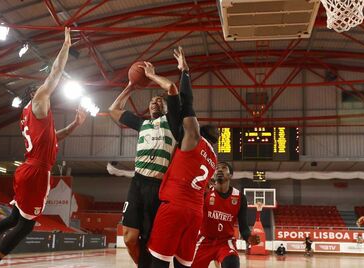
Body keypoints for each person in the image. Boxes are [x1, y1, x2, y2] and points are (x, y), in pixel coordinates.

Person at [0, 27, 87, 268]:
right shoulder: (38, 102)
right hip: (36, 173)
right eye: (41, 91)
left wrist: (75, 125)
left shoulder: (33, 118)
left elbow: (55, 136)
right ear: (34, 95)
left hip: (29, 169)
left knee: (14, 218)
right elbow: (55, 74)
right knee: (26, 225)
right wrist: (66, 46)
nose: (46, 93)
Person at [146, 46, 219, 268]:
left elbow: (186, 103)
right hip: (195, 213)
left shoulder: (192, 136)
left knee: (158, 262)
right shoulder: (214, 160)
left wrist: (184, 71)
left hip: (175, 206)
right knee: (183, 264)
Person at [109, 61, 181, 267]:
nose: (155, 102)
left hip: (160, 188)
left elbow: (171, 88)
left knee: (153, 241)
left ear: (167, 107)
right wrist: (131, 86)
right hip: (138, 183)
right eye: (152, 101)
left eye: (160, 101)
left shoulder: (173, 123)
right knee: (130, 239)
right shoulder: (142, 124)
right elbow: (113, 109)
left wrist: (150, 76)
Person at [192, 162, 260, 268]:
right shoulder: (205, 193)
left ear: (230, 175)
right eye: (217, 168)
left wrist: (248, 237)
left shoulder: (240, 197)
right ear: (213, 174)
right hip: (204, 240)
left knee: (232, 263)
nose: (219, 170)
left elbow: (244, 227)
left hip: (226, 242)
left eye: (224, 168)